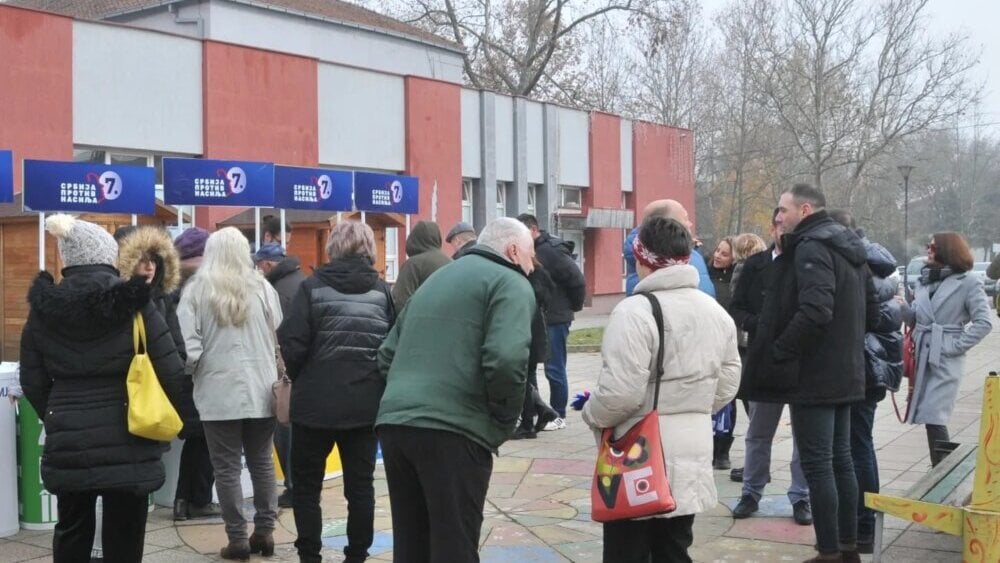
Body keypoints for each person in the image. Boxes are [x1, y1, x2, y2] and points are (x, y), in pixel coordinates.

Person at [19, 214, 184, 562]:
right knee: (125, 534)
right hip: (131, 435)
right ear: (108, 256)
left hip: (69, 437)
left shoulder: (43, 310)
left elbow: (31, 378)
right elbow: (171, 368)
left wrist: (57, 411)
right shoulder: (136, 304)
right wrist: (178, 419)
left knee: (72, 529)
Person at [581, 216, 741, 563]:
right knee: (675, 548)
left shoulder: (634, 312)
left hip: (640, 453)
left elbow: (620, 394)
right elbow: (729, 381)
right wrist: (693, 407)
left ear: (642, 259)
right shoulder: (714, 311)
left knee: (627, 551)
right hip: (693, 447)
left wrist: (591, 413)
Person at [376, 217, 535, 562]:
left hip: (396, 425)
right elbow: (507, 359)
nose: (532, 265)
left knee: (412, 544)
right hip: (454, 431)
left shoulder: (436, 280)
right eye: (530, 255)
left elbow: (387, 355)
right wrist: (503, 421)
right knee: (454, 546)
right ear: (512, 250)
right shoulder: (511, 282)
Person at [747, 184, 871, 562]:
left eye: (782, 210)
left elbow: (816, 310)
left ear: (804, 209)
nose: (778, 217)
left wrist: (782, 349)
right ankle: (848, 547)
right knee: (840, 461)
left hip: (816, 375)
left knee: (820, 465)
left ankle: (830, 551)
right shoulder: (846, 246)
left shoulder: (813, 246)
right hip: (845, 369)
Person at [278, 222, 395, 563]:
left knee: (306, 488)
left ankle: (310, 555)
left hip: (314, 405)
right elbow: (391, 346)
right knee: (360, 489)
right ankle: (356, 555)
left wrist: (303, 377)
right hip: (364, 406)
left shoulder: (311, 288)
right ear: (369, 250)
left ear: (333, 248)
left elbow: (292, 344)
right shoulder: (381, 292)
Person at [178, 227, 283, 560]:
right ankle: (265, 533)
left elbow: (189, 349)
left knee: (225, 469)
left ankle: (237, 539)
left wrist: (196, 374)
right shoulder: (263, 288)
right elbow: (276, 324)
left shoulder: (196, 291)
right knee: (262, 463)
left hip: (216, 393)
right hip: (261, 389)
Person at [117, 226, 221, 522]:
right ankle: (186, 501)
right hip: (133, 394)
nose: (148, 266)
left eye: (154, 259)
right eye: (141, 259)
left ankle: (183, 501)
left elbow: (176, 348)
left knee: (195, 440)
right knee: (199, 439)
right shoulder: (122, 300)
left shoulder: (163, 297)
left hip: (166, 389)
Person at [728, 212, 812, 527]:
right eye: (779, 225)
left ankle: (801, 496)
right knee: (759, 432)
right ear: (772, 228)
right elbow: (736, 307)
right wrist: (760, 327)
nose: (783, 230)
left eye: (788, 225)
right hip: (765, 358)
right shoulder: (755, 264)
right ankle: (751, 492)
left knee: (804, 436)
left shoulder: (805, 263)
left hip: (801, 359)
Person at [830, 209, 902, 554]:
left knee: (856, 447)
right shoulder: (875, 264)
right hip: (872, 367)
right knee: (861, 445)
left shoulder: (856, 267)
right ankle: (864, 523)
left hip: (861, 367)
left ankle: (862, 524)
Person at [902, 232, 991, 465]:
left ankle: (942, 469)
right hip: (923, 353)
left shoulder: (968, 281)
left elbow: (984, 322)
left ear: (947, 251)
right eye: (927, 246)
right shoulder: (924, 279)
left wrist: (954, 346)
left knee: (935, 414)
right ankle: (940, 469)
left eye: (932, 247)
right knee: (930, 416)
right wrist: (903, 309)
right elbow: (919, 319)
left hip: (944, 356)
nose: (928, 251)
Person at [517, 213, 585, 430]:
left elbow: (577, 280)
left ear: (534, 229)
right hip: (538, 317)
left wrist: (572, 308)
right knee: (531, 367)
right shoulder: (529, 250)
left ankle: (558, 414)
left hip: (556, 318)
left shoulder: (551, 251)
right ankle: (539, 411)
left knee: (554, 368)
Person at [253, 242, 307, 508]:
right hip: (306, 370)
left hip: (286, 371)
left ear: (268, 265)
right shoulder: (302, 280)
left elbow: (279, 332)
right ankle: (299, 485)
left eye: (259, 265)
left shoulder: (277, 290)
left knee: (285, 429)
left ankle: (294, 487)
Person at [623, 199, 715, 297]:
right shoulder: (648, 260)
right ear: (665, 224)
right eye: (685, 218)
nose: (690, 223)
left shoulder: (692, 253)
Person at [512, 259, 560, 439]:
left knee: (522, 379)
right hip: (534, 332)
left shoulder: (527, 275)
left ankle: (528, 423)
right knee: (526, 378)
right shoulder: (537, 272)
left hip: (528, 333)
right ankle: (541, 412)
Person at [707, 236, 737, 470]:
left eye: (724, 253)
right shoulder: (703, 276)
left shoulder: (735, 282)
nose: (717, 255)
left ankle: (723, 450)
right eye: (717, 250)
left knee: (728, 399)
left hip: (727, 344)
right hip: (705, 344)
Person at [391, 220, 452, 310]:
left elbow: (401, 301)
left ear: (413, 239)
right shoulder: (451, 262)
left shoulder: (413, 264)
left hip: (419, 320)